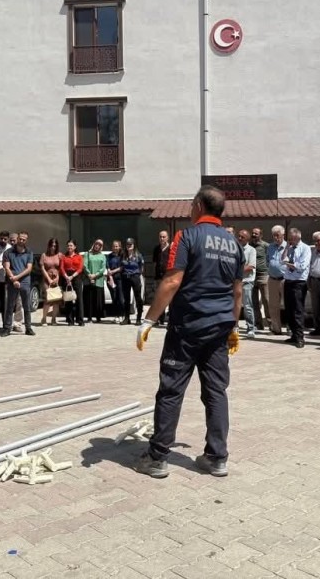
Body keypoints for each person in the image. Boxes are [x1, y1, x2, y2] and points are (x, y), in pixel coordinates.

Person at [134, 185, 243, 479]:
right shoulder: (234, 245)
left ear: (197, 205)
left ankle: (157, 458)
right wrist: (233, 327)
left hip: (188, 328)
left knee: (171, 390)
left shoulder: (186, 236)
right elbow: (237, 292)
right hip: (219, 328)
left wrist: (148, 321)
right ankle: (216, 457)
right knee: (216, 391)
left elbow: (171, 282)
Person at [280, 228, 311, 348]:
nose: (289, 240)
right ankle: (293, 334)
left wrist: (289, 265)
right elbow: (282, 260)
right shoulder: (290, 248)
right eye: (289, 238)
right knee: (289, 310)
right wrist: (287, 247)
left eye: (291, 238)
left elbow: (301, 266)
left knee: (298, 310)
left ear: (297, 237)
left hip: (299, 282)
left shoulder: (305, 248)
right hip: (288, 281)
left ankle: (300, 337)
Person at [1, 232, 36, 336]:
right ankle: (7, 328)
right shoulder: (8, 252)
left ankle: (28, 328)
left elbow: (29, 268)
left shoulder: (29, 252)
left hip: (25, 282)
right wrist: (13, 279)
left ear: (26, 240)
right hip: (12, 281)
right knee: (10, 306)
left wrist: (17, 278)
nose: (22, 241)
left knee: (26, 306)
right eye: (20, 238)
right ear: (17, 238)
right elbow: (6, 267)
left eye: (24, 239)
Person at [265, 225, 288, 336]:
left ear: (283, 235)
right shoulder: (270, 247)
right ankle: (276, 329)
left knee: (289, 305)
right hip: (272, 279)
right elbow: (267, 260)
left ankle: (290, 328)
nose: (275, 238)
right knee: (273, 306)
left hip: (285, 279)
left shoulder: (289, 246)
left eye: (277, 235)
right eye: (274, 235)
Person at [38, 238, 63, 326]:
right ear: (49, 246)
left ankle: (53, 319)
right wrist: (49, 279)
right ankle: (44, 319)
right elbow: (42, 268)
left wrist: (57, 278)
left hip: (56, 280)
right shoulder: (44, 255)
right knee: (47, 300)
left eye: (55, 246)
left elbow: (61, 268)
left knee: (56, 300)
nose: (53, 247)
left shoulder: (59, 255)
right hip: (46, 279)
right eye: (52, 245)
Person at [237, 229, 257, 338]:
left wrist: (236, 270)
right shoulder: (235, 249)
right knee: (235, 305)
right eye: (239, 236)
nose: (239, 238)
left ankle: (251, 328)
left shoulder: (251, 250)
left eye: (242, 237)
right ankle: (235, 327)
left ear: (247, 239)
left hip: (247, 282)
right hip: (236, 281)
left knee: (248, 306)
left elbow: (251, 266)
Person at [120, 238, 145, 325]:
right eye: (127, 244)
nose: (129, 246)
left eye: (130, 244)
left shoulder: (138, 255)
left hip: (135, 277)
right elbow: (121, 266)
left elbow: (141, 268)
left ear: (134, 245)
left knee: (138, 298)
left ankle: (138, 318)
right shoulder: (123, 255)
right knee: (126, 299)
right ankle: (127, 318)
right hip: (125, 278)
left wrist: (137, 275)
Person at [60, 241, 85, 325]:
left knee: (79, 299)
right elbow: (62, 268)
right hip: (66, 277)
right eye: (68, 246)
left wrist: (72, 276)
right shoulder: (64, 257)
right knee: (69, 299)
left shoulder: (79, 257)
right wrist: (67, 277)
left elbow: (80, 268)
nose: (69, 247)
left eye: (71, 245)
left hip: (76, 277)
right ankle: (70, 320)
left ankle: (80, 320)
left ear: (75, 247)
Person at [83, 239, 108, 324]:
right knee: (89, 300)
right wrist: (89, 275)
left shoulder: (102, 256)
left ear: (101, 247)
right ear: (93, 244)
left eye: (99, 245)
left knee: (98, 300)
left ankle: (98, 317)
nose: (97, 246)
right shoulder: (87, 254)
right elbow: (84, 265)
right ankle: (89, 317)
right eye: (96, 244)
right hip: (88, 279)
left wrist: (95, 275)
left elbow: (103, 268)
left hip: (98, 280)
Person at [249, 228, 269, 330]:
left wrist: (268, 270)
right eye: (252, 233)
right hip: (252, 276)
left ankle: (270, 323)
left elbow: (270, 258)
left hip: (263, 275)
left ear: (261, 235)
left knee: (266, 300)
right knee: (254, 301)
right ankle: (258, 324)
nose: (253, 235)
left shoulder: (265, 246)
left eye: (256, 233)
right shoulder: (249, 245)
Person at [152, 231, 172, 325]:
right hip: (158, 278)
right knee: (159, 299)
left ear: (167, 238)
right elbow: (154, 263)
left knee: (170, 299)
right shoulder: (156, 249)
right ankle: (160, 319)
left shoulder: (171, 248)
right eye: (160, 237)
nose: (162, 238)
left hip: (168, 278)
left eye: (164, 237)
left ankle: (171, 319)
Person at [106, 240, 125, 323]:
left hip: (120, 279)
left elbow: (122, 267)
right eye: (114, 246)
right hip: (111, 279)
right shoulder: (109, 256)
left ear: (120, 247)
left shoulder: (122, 256)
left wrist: (113, 271)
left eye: (117, 246)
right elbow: (107, 266)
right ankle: (116, 315)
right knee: (114, 298)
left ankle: (122, 315)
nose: (115, 247)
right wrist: (110, 275)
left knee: (121, 298)